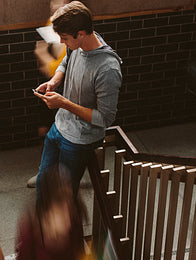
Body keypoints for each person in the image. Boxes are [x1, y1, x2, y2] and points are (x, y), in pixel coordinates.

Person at [33, 1, 122, 196]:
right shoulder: (78, 43)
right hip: (59, 127)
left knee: (64, 196)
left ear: (81, 33)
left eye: (64, 38)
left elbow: (105, 119)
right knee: (43, 185)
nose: (62, 43)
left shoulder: (107, 69)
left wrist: (63, 103)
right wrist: (54, 81)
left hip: (79, 140)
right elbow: (67, 59)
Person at [16, 165, 89, 260]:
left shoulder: (75, 222)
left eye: (69, 210)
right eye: (61, 213)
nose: (68, 221)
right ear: (45, 214)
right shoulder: (29, 236)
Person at [27, 0, 71, 189]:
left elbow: (57, 66)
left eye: (59, 1)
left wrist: (43, 55)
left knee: (59, 132)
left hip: (62, 88)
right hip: (51, 87)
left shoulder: (70, 26)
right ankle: (48, 172)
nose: (53, 5)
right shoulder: (53, 21)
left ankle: (58, 175)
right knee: (45, 130)